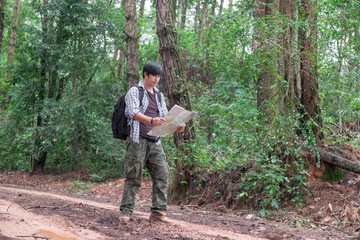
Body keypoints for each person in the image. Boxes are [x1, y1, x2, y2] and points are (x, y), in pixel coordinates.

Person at [119, 61, 185, 224]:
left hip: (155, 141)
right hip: (137, 140)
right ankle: (126, 212)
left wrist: (176, 126)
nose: (156, 79)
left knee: (162, 173)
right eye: (153, 76)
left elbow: (164, 116)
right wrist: (151, 120)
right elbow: (132, 112)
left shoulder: (158, 95)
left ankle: (158, 213)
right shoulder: (135, 91)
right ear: (145, 74)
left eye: (158, 76)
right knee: (133, 176)